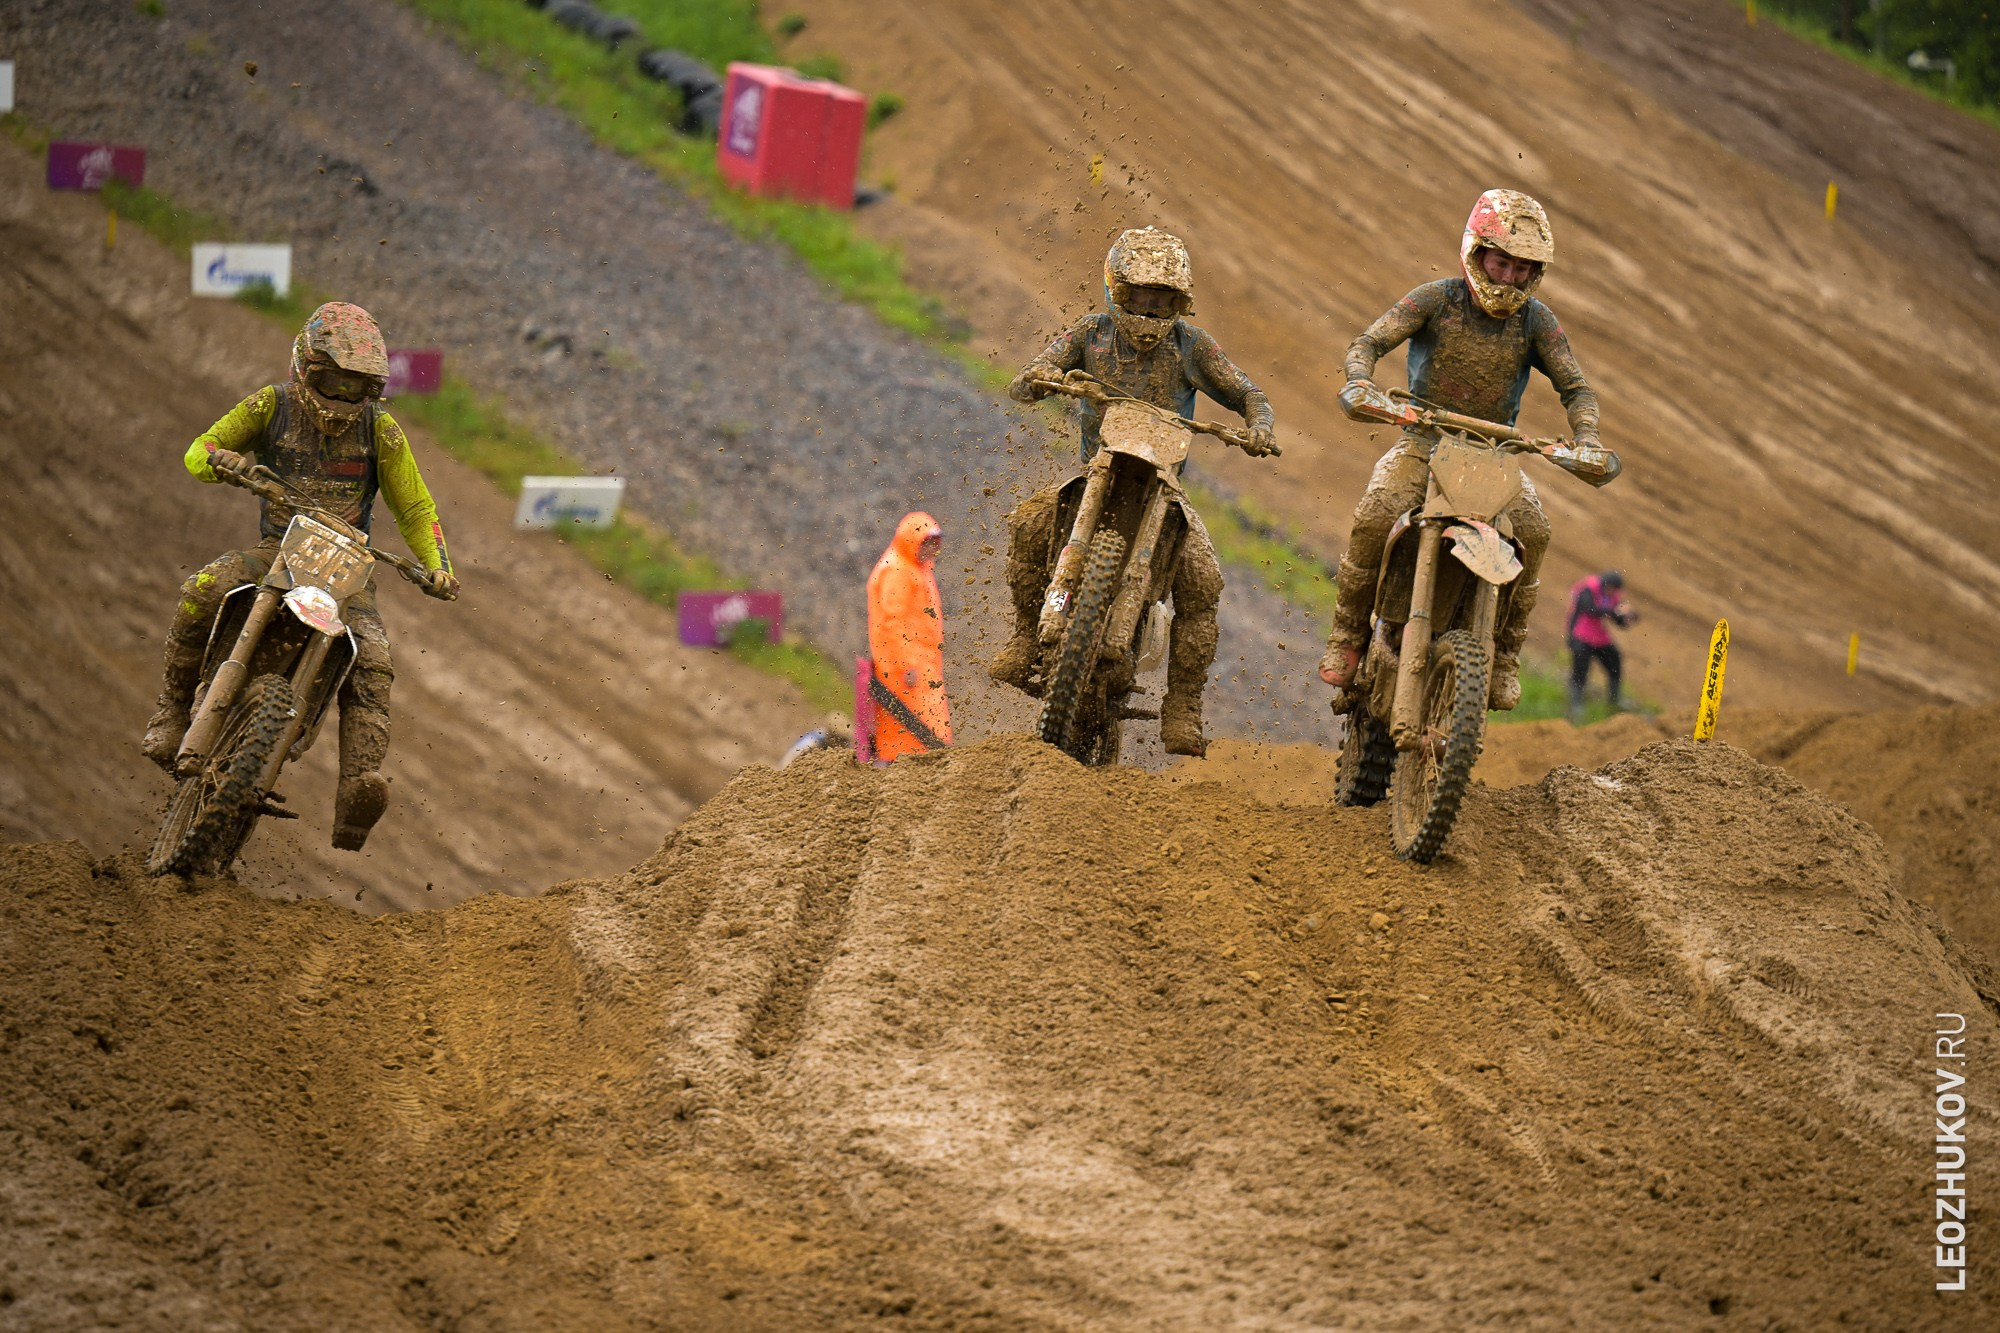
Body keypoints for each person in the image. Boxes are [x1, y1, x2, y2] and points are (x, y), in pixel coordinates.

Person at [139, 302, 459, 850]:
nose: (342, 398)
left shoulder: (382, 431)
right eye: (332, 382)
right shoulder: (271, 404)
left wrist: (438, 567)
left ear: (373, 392)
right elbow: (199, 449)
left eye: (356, 388)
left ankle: (358, 785)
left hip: (349, 565)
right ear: (305, 368)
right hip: (277, 550)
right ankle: (171, 710)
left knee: (373, 662)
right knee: (202, 590)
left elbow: (414, 507)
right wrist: (221, 462)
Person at [1319, 190, 1619, 710]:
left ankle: (1504, 657)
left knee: (1534, 533)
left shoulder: (1537, 321)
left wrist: (1587, 436)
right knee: (1376, 514)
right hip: (1423, 439)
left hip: (1494, 452)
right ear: (1476, 252)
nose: (1509, 278)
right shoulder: (1435, 299)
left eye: (1523, 268)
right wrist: (1361, 381)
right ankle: (1347, 634)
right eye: (1502, 262)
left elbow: (1577, 389)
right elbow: (1368, 342)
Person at [991, 226, 1278, 757]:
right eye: (1141, 298)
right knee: (1029, 524)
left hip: (1164, 487)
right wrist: (1043, 378)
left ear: (1180, 303)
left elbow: (1248, 393)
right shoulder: (1091, 332)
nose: (1149, 312)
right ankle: (1026, 635)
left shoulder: (1192, 345)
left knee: (1203, 581)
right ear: (1117, 290)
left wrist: (1259, 425)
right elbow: (1032, 374)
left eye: (1161, 301)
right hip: (1095, 471)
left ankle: (1183, 705)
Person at [867, 511, 953, 762]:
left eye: (935, 543)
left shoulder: (914, 568)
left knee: (925, 735)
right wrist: (905, 664)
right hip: (905, 671)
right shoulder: (897, 570)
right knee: (911, 735)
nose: (932, 549)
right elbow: (891, 623)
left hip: (921, 667)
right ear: (911, 541)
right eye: (927, 542)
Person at [1566, 570, 1636, 721]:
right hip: (1580, 635)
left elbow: (1616, 617)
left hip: (1599, 637)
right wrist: (1613, 610)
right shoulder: (1588, 588)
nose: (1613, 592)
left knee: (1615, 663)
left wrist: (1627, 617)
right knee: (1580, 670)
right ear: (1606, 584)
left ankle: (1614, 700)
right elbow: (1589, 608)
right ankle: (1576, 705)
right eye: (1612, 588)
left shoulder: (1613, 596)